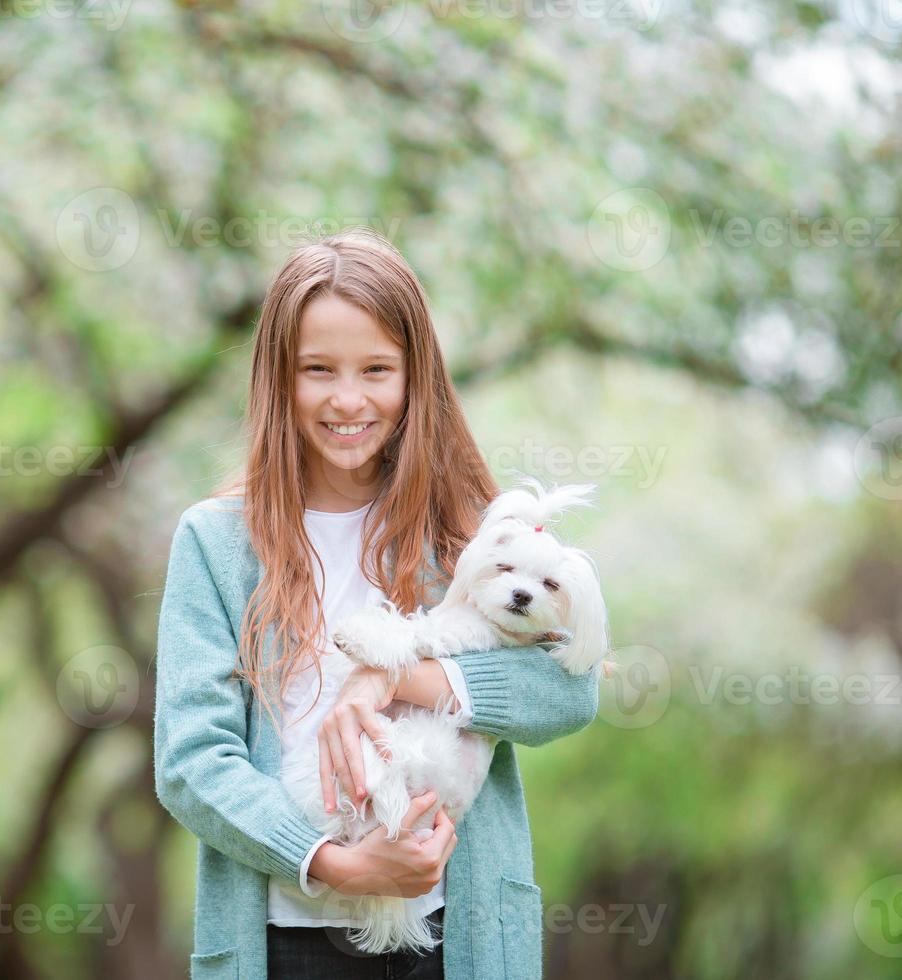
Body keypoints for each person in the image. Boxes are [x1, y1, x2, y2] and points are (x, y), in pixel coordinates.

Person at [153, 229, 600, 979]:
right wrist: (338, 864)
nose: (348, 398)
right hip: (284, 941)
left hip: (455, 938)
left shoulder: (467, 530)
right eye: (317, 370)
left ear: (415, 378)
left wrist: (397, 676)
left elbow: (568, 689)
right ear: (277, 379)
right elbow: (192, 760)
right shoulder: (215, 542)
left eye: (377, 370)